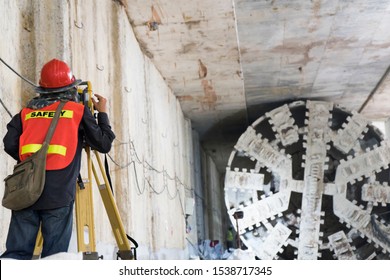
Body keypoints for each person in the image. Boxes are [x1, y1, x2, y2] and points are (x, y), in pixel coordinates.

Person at [1, 58, 115, 259]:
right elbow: (103, 144)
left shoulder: (26, 113)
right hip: (58, 194)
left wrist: (32, 164)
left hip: (26, 189)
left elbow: (10, 144)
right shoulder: (77, 111)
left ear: (42, 89)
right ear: (71, 88)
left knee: (16, 256)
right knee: (54, 258)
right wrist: (103, 114)